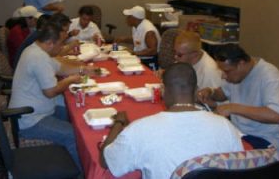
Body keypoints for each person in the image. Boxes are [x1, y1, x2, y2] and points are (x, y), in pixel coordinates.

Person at [100, 62, 243, 179]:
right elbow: (239, 169)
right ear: (196, 91)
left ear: (163, 91)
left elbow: (107, 162)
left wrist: (118, 123)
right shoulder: (226, 126)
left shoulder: (139, 129)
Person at [9, 22, 97, 170]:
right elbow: (50, 91)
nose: (62, 47)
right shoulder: (38, 58)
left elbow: (61, 68)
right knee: (74, 134)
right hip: (30, 120)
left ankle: (69, 157)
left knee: (76, 115)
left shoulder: (35, 50)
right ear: (50, 43)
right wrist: (69, 81)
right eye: (60, 44)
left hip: (38, 109)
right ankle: (82, 173)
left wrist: (84, 70)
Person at [197, 44, 279, 151]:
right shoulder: (236, 75)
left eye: (226, 71)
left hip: (265, 142)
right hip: (239, 135)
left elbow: (276, 116)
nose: (223, 76)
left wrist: (233, 108)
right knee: (201, 143)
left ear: (241, 64)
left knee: (216, 159)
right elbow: (223, 93)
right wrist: (211, 91)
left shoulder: (269, 75)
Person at [12, 13, 80, 70]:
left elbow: (54, 58)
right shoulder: (42, 37)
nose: (66, 35)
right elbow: (55, 58)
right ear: (57, 28)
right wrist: (70, 47)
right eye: (65, 31)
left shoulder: (43, 33)